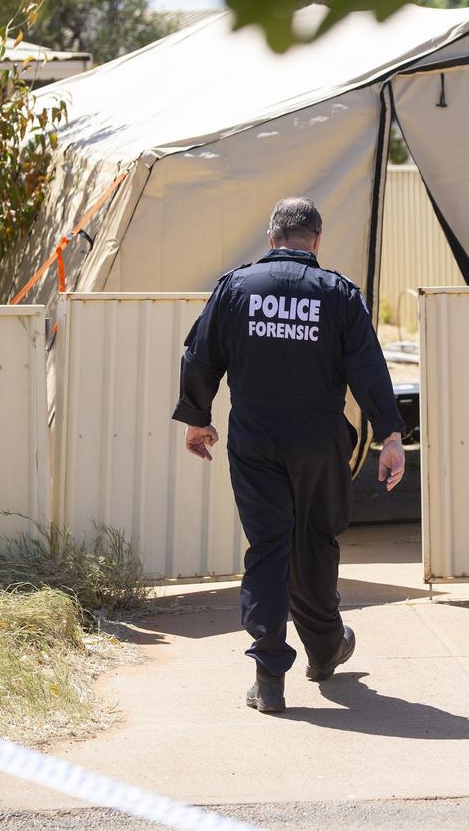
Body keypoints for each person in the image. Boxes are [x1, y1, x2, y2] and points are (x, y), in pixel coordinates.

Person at [172, 197, 405, 713]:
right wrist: (390, 435)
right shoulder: (339, 294)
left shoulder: (236, 287)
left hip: (254, 434)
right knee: (315, 541)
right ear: (316, 240)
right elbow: (368, 367)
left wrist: (197, 418)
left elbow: (200, 355)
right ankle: (323, 651)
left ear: (270, 237)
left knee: (269, 546)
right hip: (319, 436)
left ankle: (269, 676)